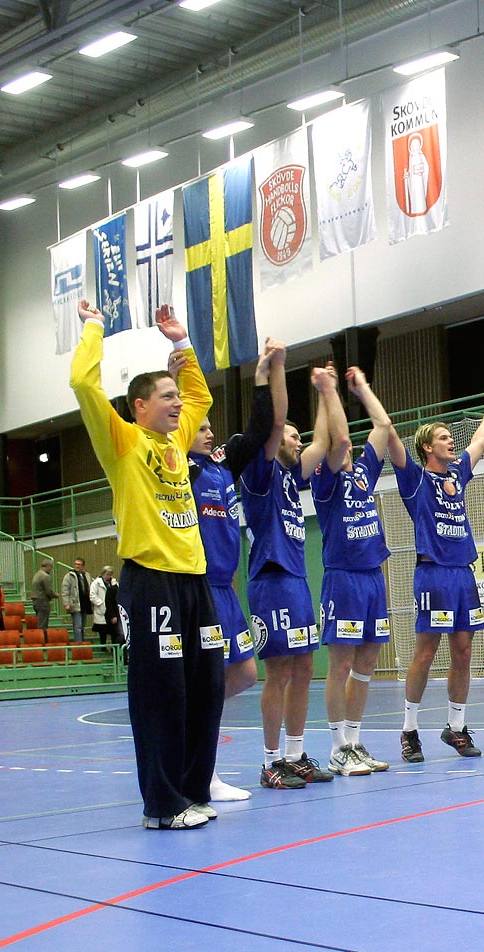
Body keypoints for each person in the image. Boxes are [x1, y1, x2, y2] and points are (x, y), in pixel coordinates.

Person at [69, 298, 223, 831]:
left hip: (193, 581)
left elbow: (201, 393)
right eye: (166, 397)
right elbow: (83, 385)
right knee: (162, 692)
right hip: (150, 581)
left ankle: (193, 791)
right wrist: (94, 329)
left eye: (176, 397)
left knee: (206, 685)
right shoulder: (124, 442)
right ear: (139, 406)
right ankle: (162, 803)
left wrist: (180, 343)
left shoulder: (178, 441)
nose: (179, 405)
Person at [188, 338, 280, 800]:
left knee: (244, 673)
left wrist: (263, 374)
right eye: (199, 427)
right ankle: (204, 773)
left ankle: (195, 724)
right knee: (208, 677)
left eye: (210, 426)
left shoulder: (222, 466)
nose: (209, 432)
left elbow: (261, 428)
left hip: (226, 589)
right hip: (198, 590)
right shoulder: (180, 470)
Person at [389, 390, 484, 763]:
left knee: (464, 651)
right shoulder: (415, 480)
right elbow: (390, 438)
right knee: (426, 653)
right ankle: (409, 731)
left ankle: (456, 727)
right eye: (442, 437)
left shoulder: (457, 472)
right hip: (433, 575)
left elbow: (481, 440)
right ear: (426, 448)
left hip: (462, 575)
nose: (450, 441)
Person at [243, 361, 337, 790]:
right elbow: (275, 419)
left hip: (297, 580)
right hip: (271, 578)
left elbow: (323, 440)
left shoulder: (292, 475)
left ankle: (296, 754)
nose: (298, 442)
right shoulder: (261, 473)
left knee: (303, 669)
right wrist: (275, 369)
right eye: (290, 436)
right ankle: (270, 761)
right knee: (278, 671)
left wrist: (324, 391)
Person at [311, 365, 397, 776]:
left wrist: (363, 388)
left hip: (372, 577)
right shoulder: (325, 482)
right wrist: (328, 392)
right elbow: (341, 437)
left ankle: (355, 741)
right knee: (341, 665)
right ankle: (336, 746)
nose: (346, 448)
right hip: (342, 578)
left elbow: (383, 425)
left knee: (366, 666)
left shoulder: (363, 472)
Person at [61, 557, 92, 644]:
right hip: (75, 604)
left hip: (85, 604)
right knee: (77, 625)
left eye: (79, 564)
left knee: (83, 626)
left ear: (83, 566)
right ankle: (79, 643)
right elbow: (65, 590)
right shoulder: (69, 576)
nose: (77, 566)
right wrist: (66, 603)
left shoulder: (87, 575)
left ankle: (82, 641)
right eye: (76, 564)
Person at [89, 566, 118, 646]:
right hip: (101, 610)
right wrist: (101, 603)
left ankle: (113, 647)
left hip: (112, 610)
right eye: (107, 574)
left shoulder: (114, 583)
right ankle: (103, 646)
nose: (108, 576)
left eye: (110, 574)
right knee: (102, 631)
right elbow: (92, 596)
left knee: (113, 631)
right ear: (103, 574)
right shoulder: (96, 583)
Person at [29, 559, 56, 630]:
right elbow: (49, 591)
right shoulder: (45, 576)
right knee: (43, 624)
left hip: (36, 601)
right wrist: (56, 595)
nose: (51, 569)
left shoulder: (37, 574)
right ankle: (43, 639)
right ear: (48, 566)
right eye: (51, 567)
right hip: (43, 601)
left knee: (40, 621)